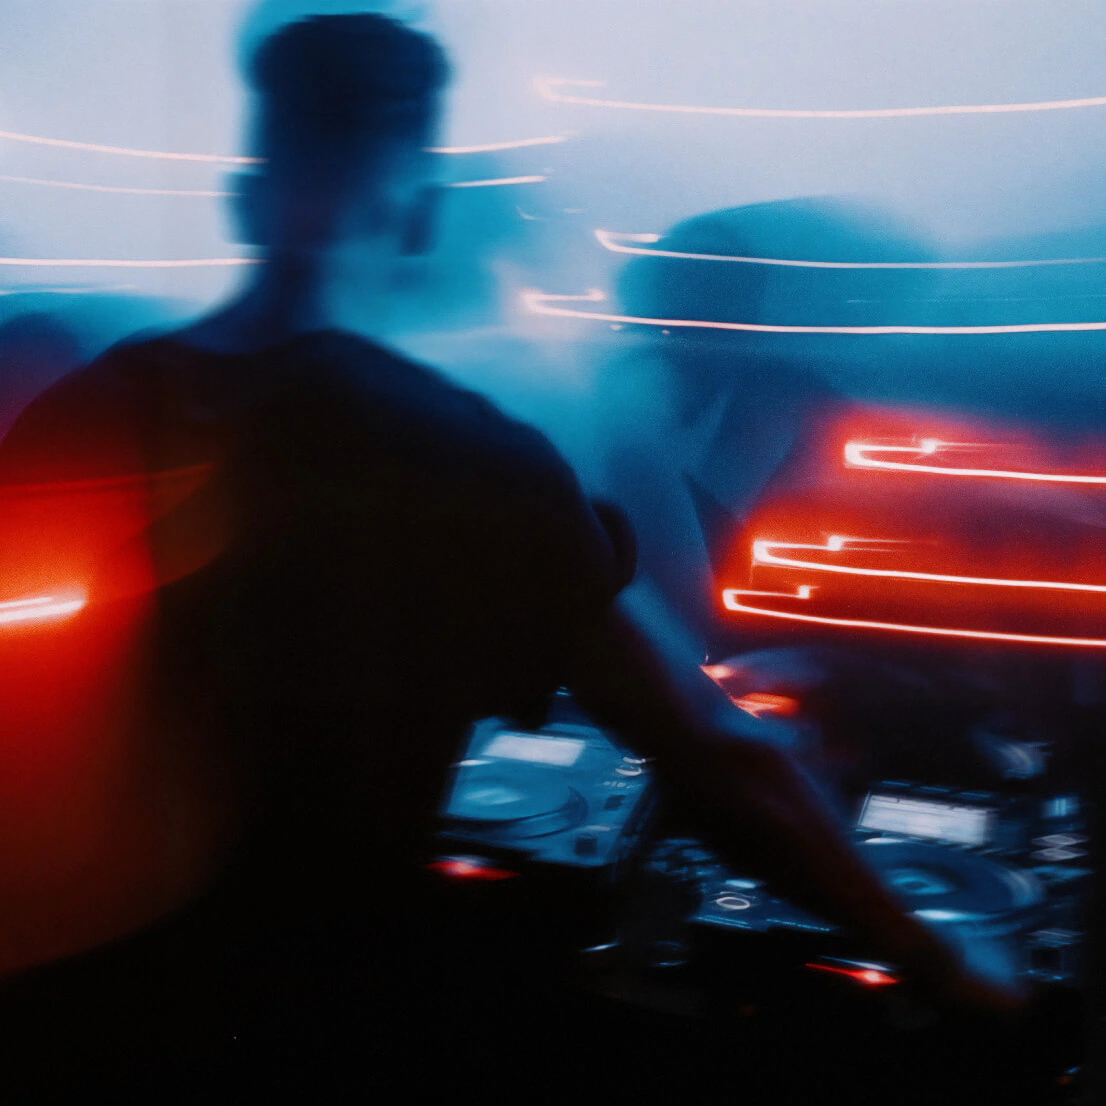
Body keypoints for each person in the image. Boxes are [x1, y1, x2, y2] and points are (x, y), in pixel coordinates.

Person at [0, 16, 1015, 1103]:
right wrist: (943, 958)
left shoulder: (81, 414)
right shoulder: (469, 457)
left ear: (245, 198)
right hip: (308, 1016)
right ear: (420, 215)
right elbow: (715, 758)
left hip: (68, 1005)